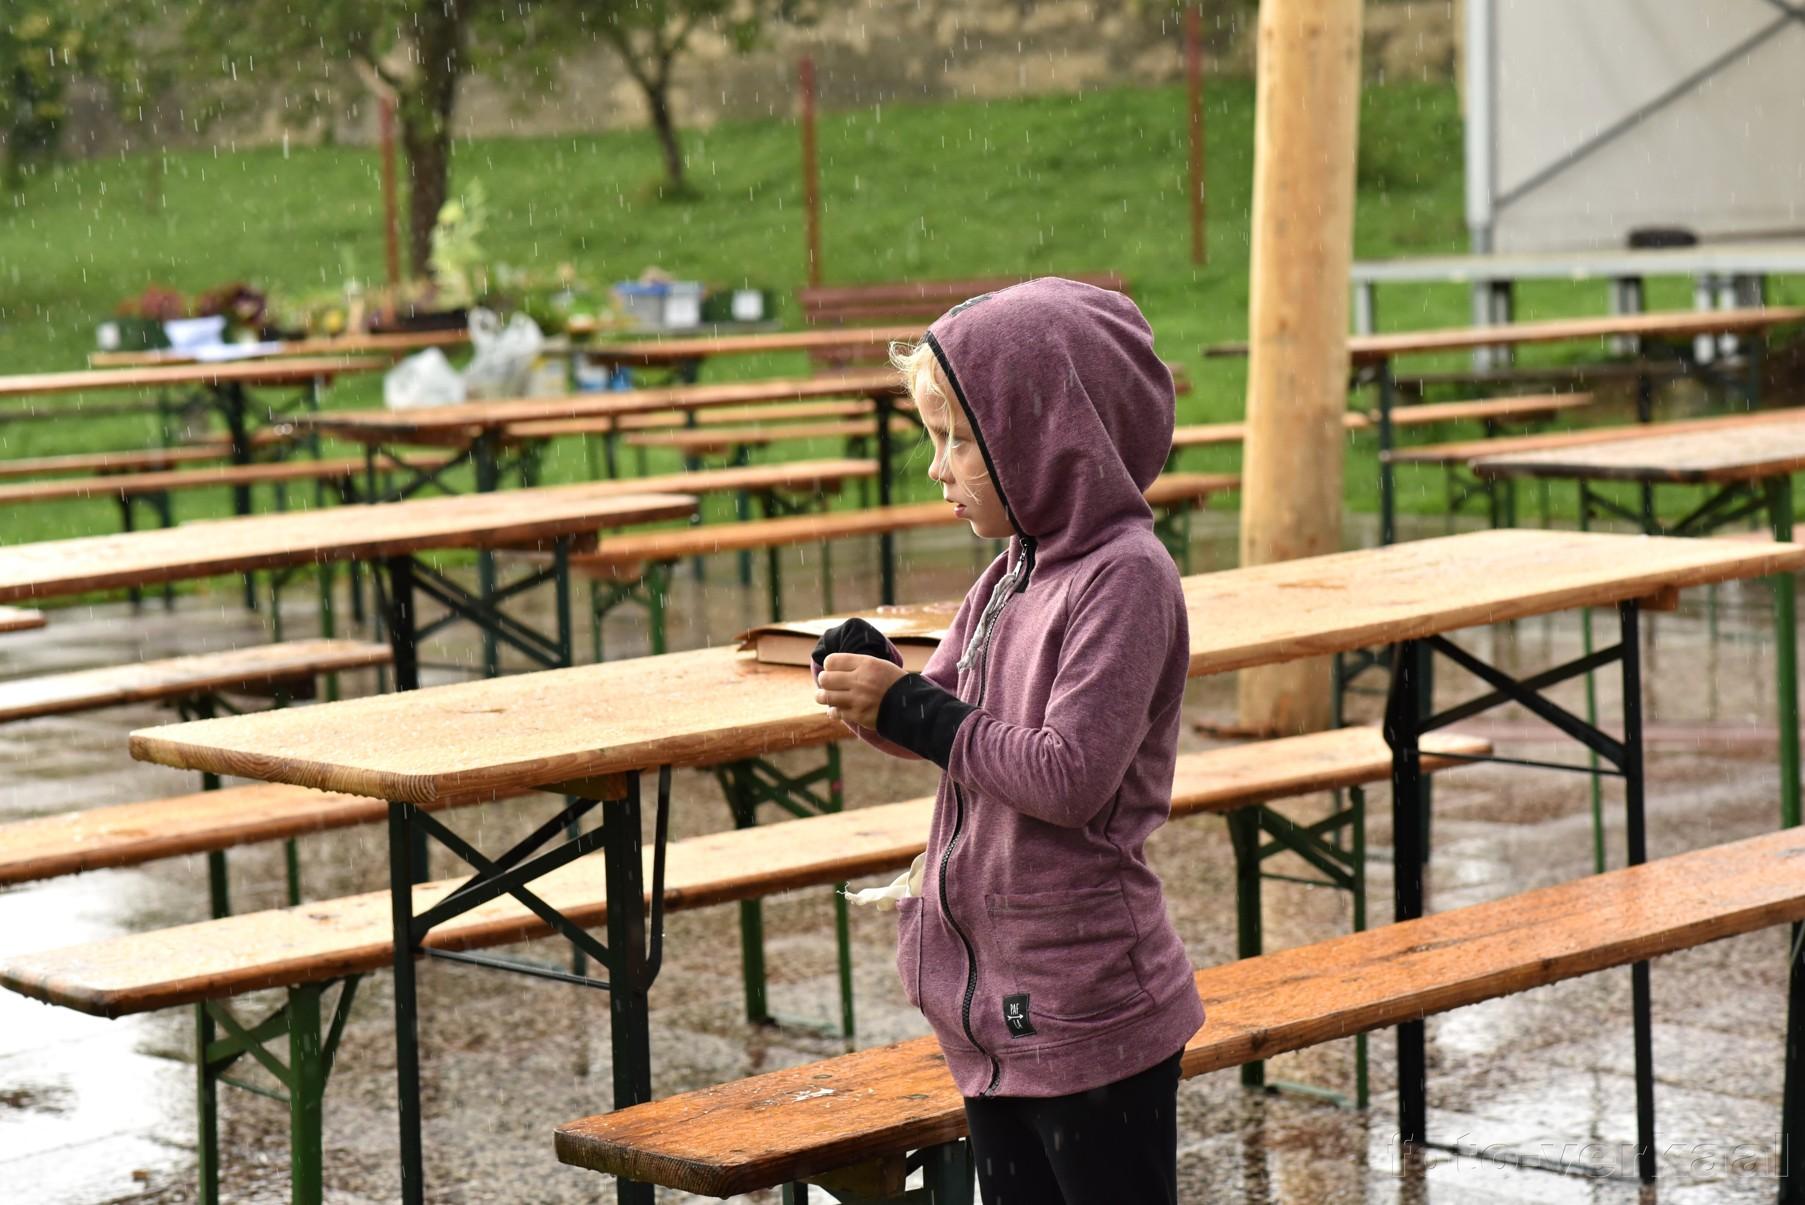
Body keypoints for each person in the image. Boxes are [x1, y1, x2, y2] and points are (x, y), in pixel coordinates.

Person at [811, 277, 1202, 1204]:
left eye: (956, 439)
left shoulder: (1125, 578)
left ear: (1044, 435)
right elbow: (952, 721)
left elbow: (1068, 776)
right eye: (932, 439)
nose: (936, 469)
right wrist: (879, 689)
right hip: (997, 1009)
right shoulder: (1010, 572)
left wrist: (912, 708)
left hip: (1089, 1002)